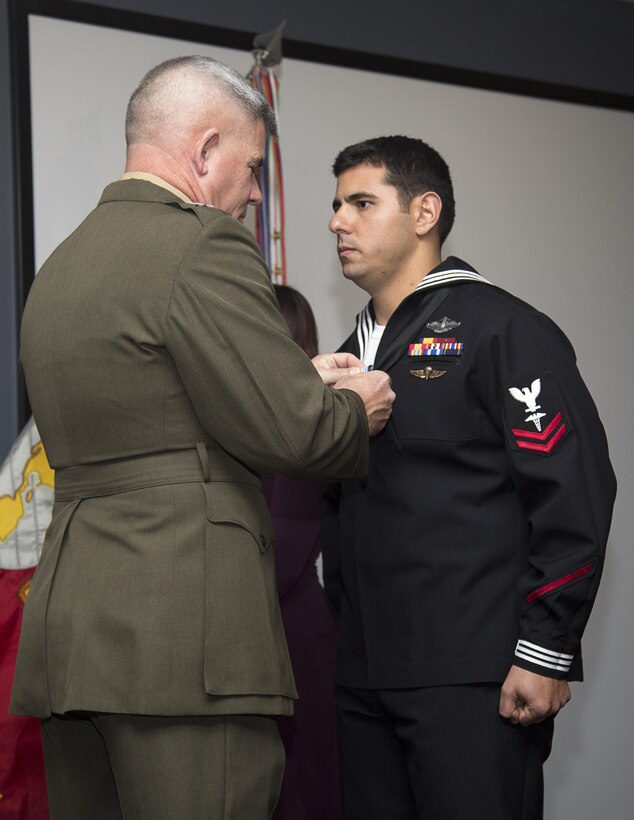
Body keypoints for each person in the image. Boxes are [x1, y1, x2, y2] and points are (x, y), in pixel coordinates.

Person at [9, 58, 394, 820]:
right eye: (253, 168)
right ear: (206, 149)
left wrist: (290, 376)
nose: (255, 193)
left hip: (74, 636)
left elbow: (153, 399)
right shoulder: (202, 247)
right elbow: (304, 437)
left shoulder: (61, 267)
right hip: (186, 638)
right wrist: (358, 406)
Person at [322, 135, 616, 820]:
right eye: (336, 205)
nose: (338, 220)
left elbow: (574, 492)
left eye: (362, 202)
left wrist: (545, 650)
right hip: (365, 675)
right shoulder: (343, 358)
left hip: (472, 676)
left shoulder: (501, 329)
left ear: (424, 212)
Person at [264, 285, 344, 820]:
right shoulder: (258, 423)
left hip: (292, 639)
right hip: (269, 632)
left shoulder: (307, 427)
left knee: (302, 795)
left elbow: (282, 554)